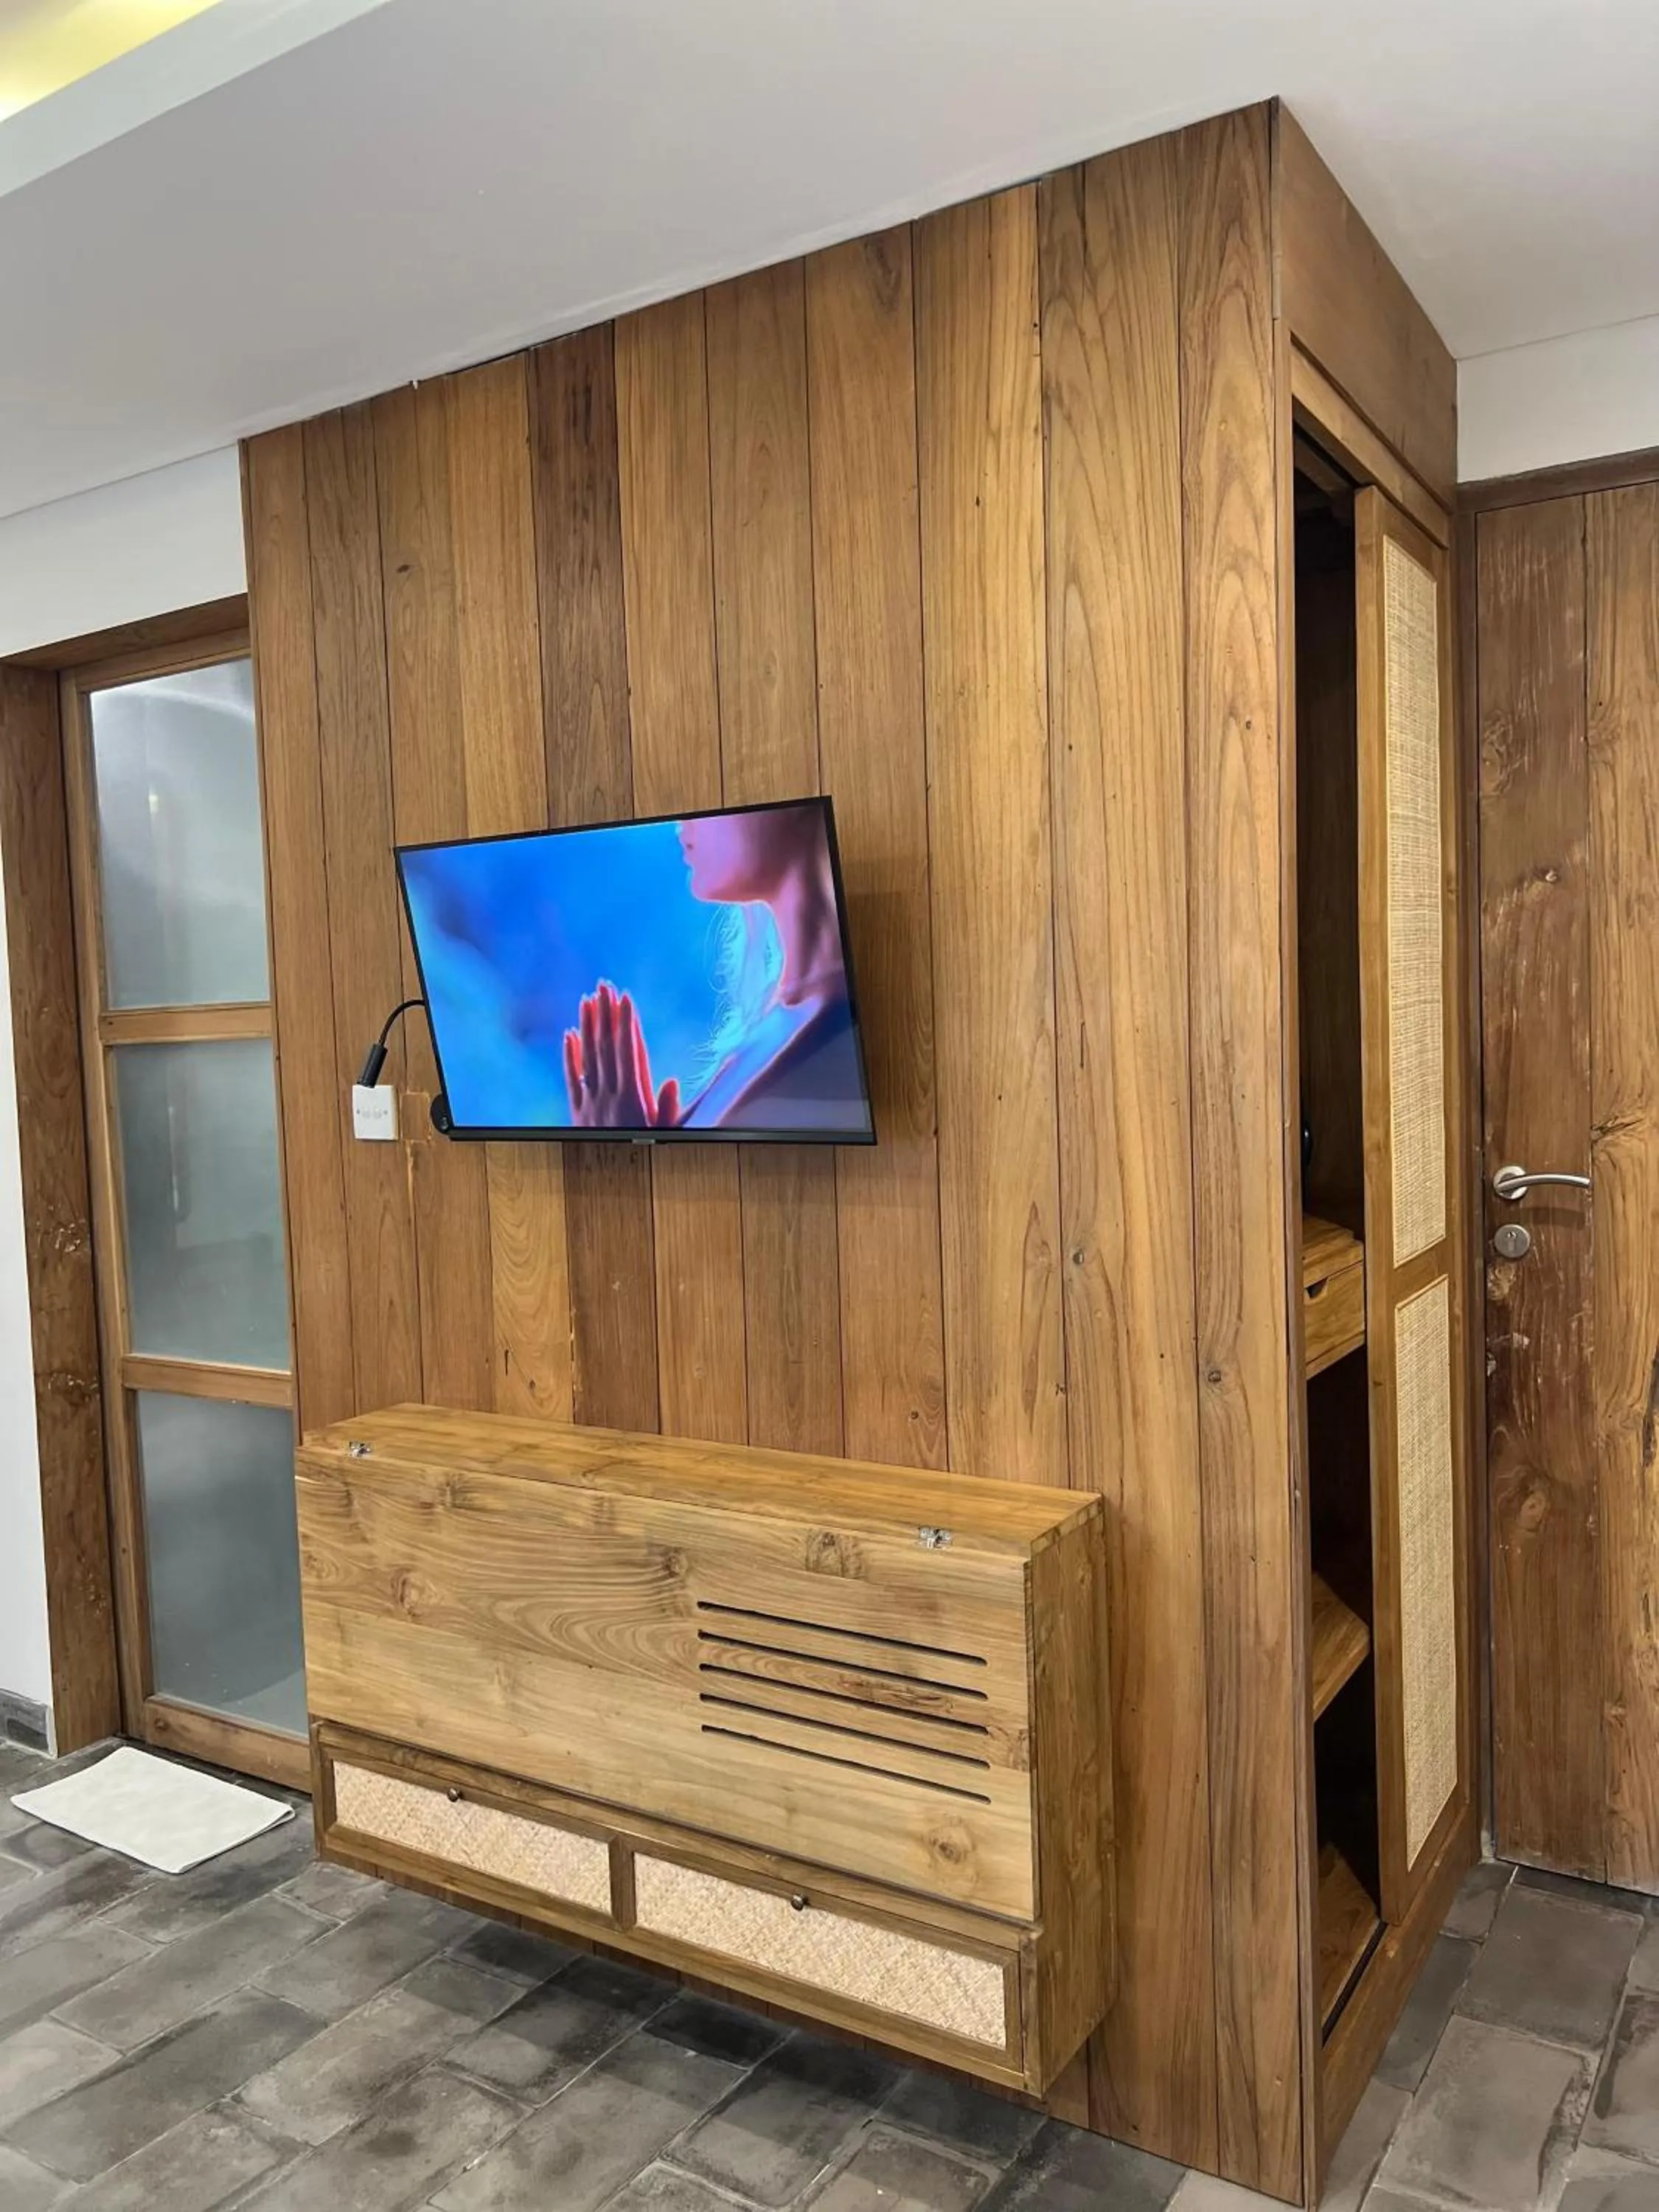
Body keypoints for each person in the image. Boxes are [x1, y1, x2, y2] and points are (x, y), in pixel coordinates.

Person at [561, 803, 868, 1134]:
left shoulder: (830, 1031)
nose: (681, 822)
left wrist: (623, 1152)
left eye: (713, 802)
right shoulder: (782, 1018)